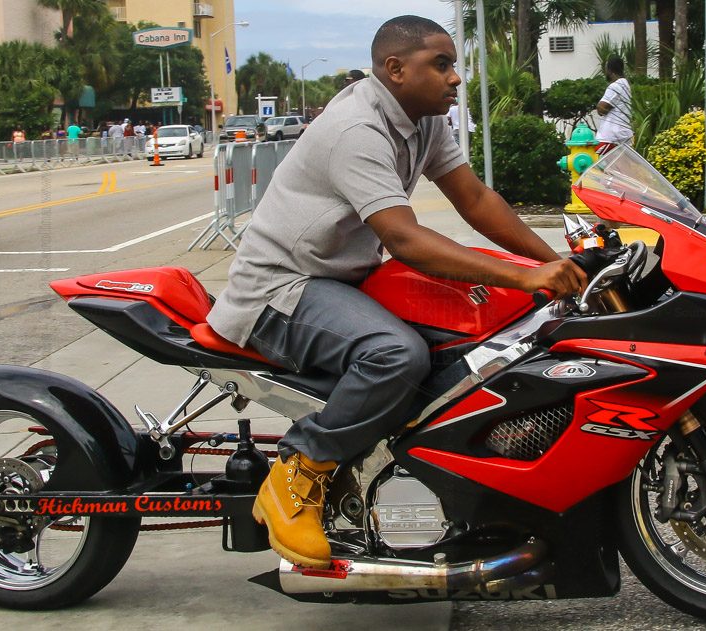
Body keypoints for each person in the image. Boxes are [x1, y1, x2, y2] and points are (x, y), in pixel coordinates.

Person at [207, 15, 587, 570]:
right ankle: (296, 472)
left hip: (339, 278)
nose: (455, 77)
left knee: (471, 342)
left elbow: (475, 199)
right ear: (395, 69)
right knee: (394, 355)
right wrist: (527, 276)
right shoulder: (356, 129)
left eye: (454, 63)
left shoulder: (422, 120)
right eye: (441, 64)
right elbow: (405, 238)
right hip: (279, 290)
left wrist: (553, 261)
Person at [595, 56, 633, 150]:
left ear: (609, 70)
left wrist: (599, 106)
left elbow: (601, 109)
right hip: (623, 136)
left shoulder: (615, 86)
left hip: (610, 137)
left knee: (596, 163)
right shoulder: (626, 84)